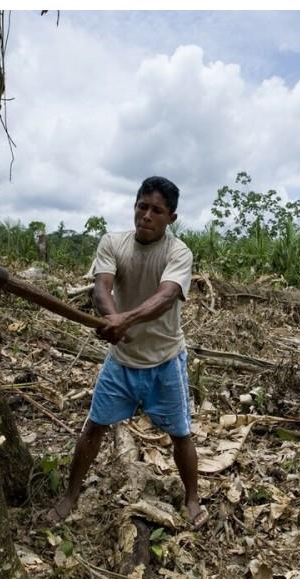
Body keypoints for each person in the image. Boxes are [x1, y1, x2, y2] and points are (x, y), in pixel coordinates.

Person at [45, 176, 207, 529]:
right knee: (94, 427)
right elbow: (101, 287)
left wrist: (124, 320)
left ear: (171, 218)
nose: (146, 216)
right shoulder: (113, 243)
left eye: (157, 211)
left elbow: (166, 296)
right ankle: (70, 496)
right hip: (121, 360)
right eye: (142, 206)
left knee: (180, 433)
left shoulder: (178, 252)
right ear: (134, 207)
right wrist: (112, 317)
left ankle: (192, 498)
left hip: (165, 359)